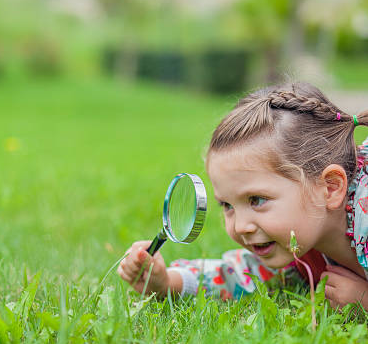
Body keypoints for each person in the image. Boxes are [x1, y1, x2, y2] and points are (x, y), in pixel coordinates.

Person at [118, 82, 368, 309]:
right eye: (227, 205)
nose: (240, 226)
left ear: (331, 188)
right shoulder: (298, 241)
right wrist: (167, 282)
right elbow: (242, 273)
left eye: (257, 200)